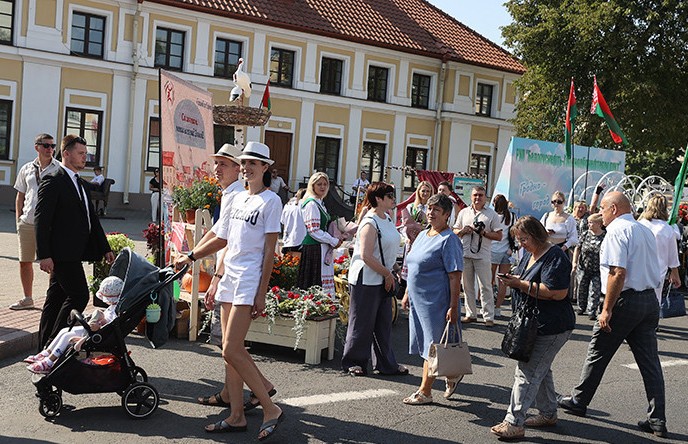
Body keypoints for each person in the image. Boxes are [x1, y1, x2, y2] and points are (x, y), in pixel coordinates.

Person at [176, 141, 284, 439]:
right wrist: (192, 256)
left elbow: (269, 252)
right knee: (229, 354)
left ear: (265, 167)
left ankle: (270, 408)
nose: (248, 167)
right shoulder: (235, 199)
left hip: (250, 280)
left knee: (231, 348)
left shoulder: (271, 201)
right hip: (230, 279)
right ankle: (236, 416)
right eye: (245, 162)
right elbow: (221, 238)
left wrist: (261, 293)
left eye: (254, 163)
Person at [558, 192, 667, 438]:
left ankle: (579, 400)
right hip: (649, 300)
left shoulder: (617, 231)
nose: (601, 214)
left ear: (615, 209)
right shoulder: (643, 229)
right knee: (650, 363)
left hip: (625, 301)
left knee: (598, 351)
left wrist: (606, 309)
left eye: (604, 208)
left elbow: (618, 272)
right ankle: (658, 418)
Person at [491, 216, 575, 440]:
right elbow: (528, 278)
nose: (521, 244)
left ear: (537, 235)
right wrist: (515, 279)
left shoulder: (555, 256)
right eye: (518, 240)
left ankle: (514, 422)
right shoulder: (530, 252)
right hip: (536, 325)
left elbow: (557, 292)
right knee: (540, 369)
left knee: (527, 372)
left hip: (553, 326)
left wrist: (519, 284)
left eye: (524, 239)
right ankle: (548, 414)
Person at [35, 134, 115, 349]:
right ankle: (55, 345)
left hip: (74, 252)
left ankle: (43, 347)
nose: (85, 158)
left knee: (55, 300)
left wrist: (105, 247)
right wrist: (44, 254)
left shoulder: (79, 182)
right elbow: (42, 220)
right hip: (61, 253)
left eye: (85, 154)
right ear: (66, 153)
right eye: (80, 154)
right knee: (79, 296)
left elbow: (91, 218)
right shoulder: (53, 180)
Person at [401, 193, 463, 404]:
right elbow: (413, 266)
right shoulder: (423, 234)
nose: (431, 213)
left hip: (436, 301)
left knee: (432, 347)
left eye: (437, 210)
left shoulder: (449, 239)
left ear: (446, 215)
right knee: (427, 344)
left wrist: (453, 306)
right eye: (429, 209)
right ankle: (452, 374)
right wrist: (408, 292)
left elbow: (455, 276)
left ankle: (425, 391)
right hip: (419, 300)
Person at [342, 182, 407, 377]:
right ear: (378, 199)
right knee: (362, 322)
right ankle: (354, 362)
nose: (393, 198)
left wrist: (394, 269)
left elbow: (386, 251)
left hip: (382, 276)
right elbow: (366, 256)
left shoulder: (386, 218)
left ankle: (386, 364)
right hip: (367, 277)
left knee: (383, 322)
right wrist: (387, 273)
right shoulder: (369, 222)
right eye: (389, 195)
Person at [24, 276, 124, 374]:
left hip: (98, 334)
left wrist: (98, 325)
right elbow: (105, 317)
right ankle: (45, 353)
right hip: (93, 330)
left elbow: (109, 326)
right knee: (64, 330)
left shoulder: (116, 311)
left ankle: (48, 362)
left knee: (67, 336)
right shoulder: (113, 307)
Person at [10, 133, 61, 310]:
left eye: (53, 146)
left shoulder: (58, 169)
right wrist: (19, 220)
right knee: (25, 261)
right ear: (37, 147)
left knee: (52, 264)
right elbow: (20, 196)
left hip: (51, 225)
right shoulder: (26, 169)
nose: (50, 149)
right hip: (28, 222)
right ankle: (27, 298)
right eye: (46, 145)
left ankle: (51, 299)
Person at [454, 185, 502, 326]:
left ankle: (488, 317)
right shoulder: (464, 212)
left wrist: (484, 233)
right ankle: (471, 314)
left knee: (485, 286)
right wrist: (463, 231)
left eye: (480, 195)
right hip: (465, 253)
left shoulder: (492, 214)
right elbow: (455, 230)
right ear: (471, 196)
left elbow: (499, 235)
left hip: (483, 255)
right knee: (467, 286)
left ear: (485, 198)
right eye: (475, 195)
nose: (477, 198)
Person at [296, 172, 342, 296]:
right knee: (314, 284)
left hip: (320, 247)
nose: (322, 187)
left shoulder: (319, 203)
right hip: (314, 248)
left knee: (318, 284)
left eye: (325, 184)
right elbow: (314, 230)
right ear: (312, 186)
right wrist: (333, 240)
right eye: (319, 184)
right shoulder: (311, 204)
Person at [638, 195, 681, 304]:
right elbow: (672, 254)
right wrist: (675, 272)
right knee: (654, 302)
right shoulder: (667, 228)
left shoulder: (640, 224)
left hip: (638, 268)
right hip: (658, 271)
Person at [572, 213, 605, 319]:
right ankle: (581, 307)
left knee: (595, 290)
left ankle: (592, 311)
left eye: (591, 222)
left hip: (597, 268)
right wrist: (575, 262)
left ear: (599, 223)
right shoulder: (585, 234)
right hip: (584, 266)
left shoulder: (605, 236)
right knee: (582, 287)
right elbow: (578, 248)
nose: (589, 224)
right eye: (588, 222)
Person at [491, 194, 515, 317]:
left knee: (489, 280)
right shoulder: (511, 216)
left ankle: (489, 306)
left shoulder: (493, 216)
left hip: (493, 250)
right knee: (503, 281)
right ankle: (498, 308)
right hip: (507, 251)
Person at [280, 188, 307, 257]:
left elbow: (282, 221)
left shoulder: (288, 205)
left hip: (287, 240)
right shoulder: (304, 207)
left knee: (287, 265)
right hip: (299, 240)